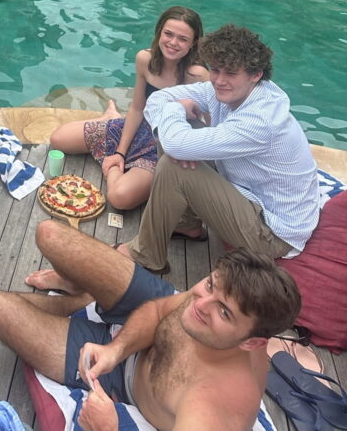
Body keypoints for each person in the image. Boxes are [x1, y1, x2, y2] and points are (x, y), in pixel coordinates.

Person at [0, 220, 301, 431]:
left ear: (252, 343)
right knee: (49, 233)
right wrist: (115, 349)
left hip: (123, 381)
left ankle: (84, 303)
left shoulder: (211, 410)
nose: (200, 304)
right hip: (126, 342)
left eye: (225, 313)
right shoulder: (209, 298)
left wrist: (111, 426)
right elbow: (162, 308)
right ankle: (81, 302)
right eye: (209, 284)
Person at [117, 24, 320, 274]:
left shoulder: (260, 121)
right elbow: (158, 98)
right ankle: (187, 223)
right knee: (182, 131)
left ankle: (146, 256)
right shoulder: (229, 90)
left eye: (231, 73)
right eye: (215, 70)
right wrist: (177, 116)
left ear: (255, 75)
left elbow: (173, 138)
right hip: (250, 195)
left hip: (272, 233)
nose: (219, 81)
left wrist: (177, 110)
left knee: (175, 161)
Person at [49, 7, 207, 213]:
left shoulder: (198, 75)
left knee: (119, 197)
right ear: (159, 32)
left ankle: (112, 162)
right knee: (58, 139)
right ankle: (112, 121)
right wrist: (120, 153)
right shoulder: (146, 60)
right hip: (138, 129)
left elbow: (210, 127)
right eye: (168, 34)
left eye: (183, 39)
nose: (173, 42)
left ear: (193, 43)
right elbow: (137, 108)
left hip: (164, 149)